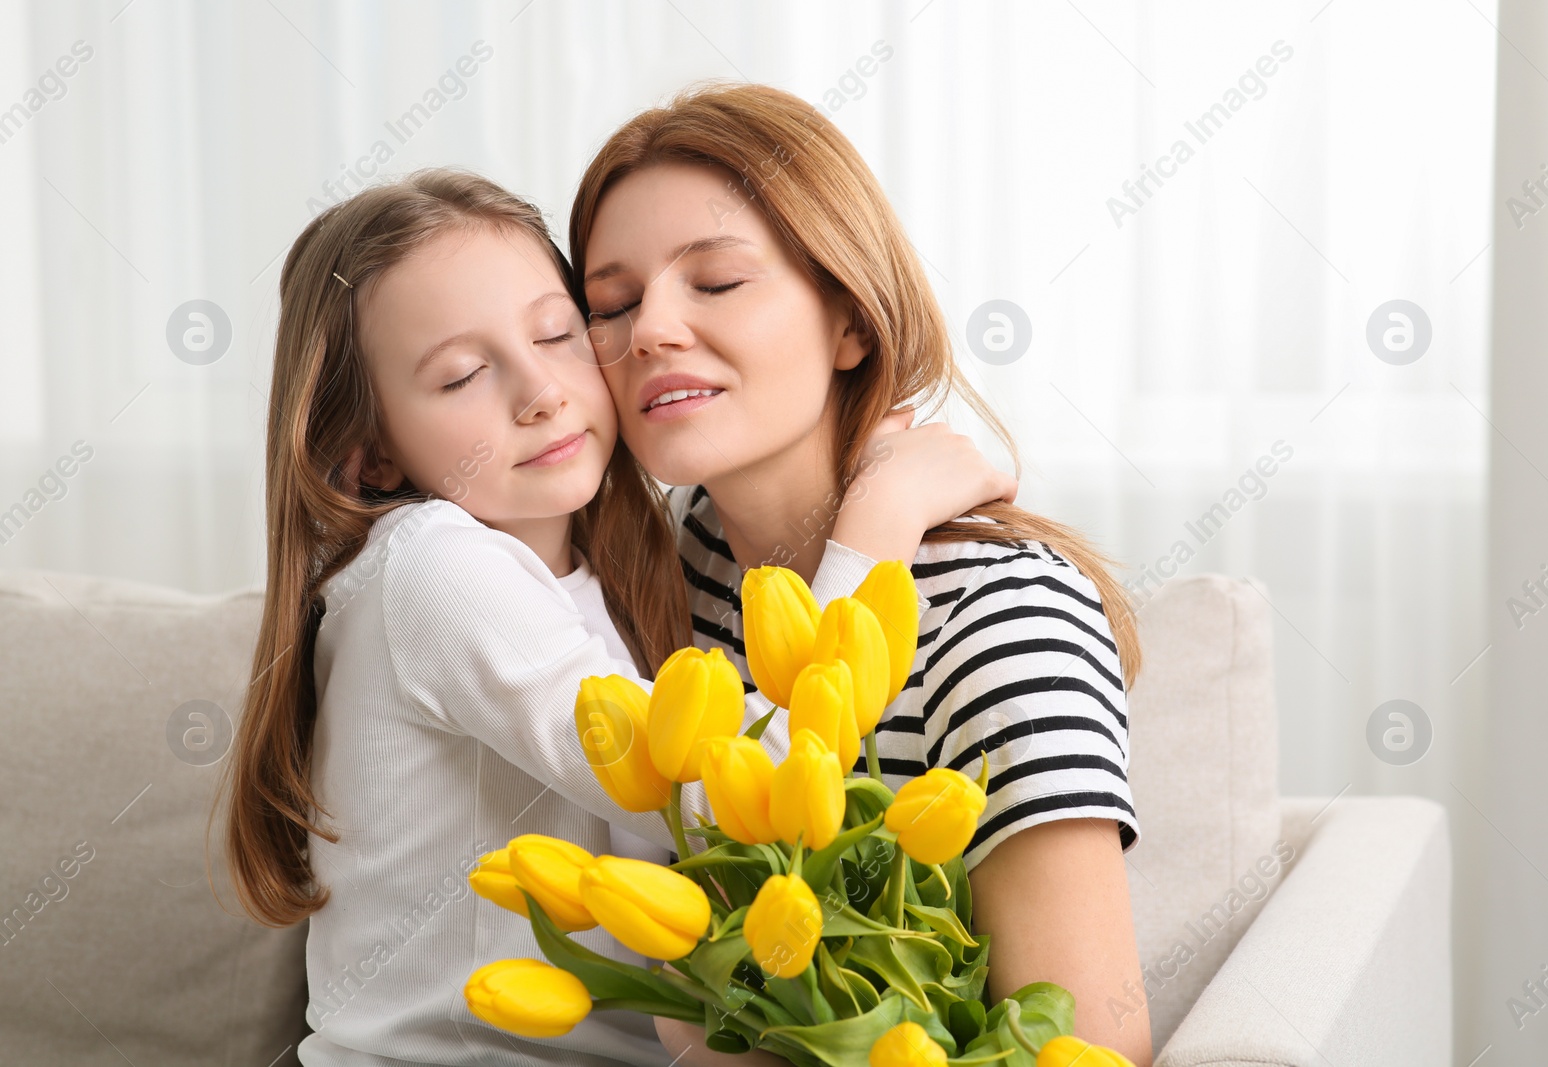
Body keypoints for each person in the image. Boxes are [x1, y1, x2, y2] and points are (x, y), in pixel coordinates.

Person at [215, 168, 1013, 1066]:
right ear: (369, 460)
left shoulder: (607, 578)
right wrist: (880, 519)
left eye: (557, 334)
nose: (541, 391)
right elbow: (748, 796)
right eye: (464, 375)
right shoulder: (431, 566)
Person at [570, 83, 1153, 1066]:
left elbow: (1091, 1036)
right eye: (612, 304)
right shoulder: (676, 566)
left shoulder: (999, 610)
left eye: (714, 282)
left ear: (850, 321)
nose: (649, 330)